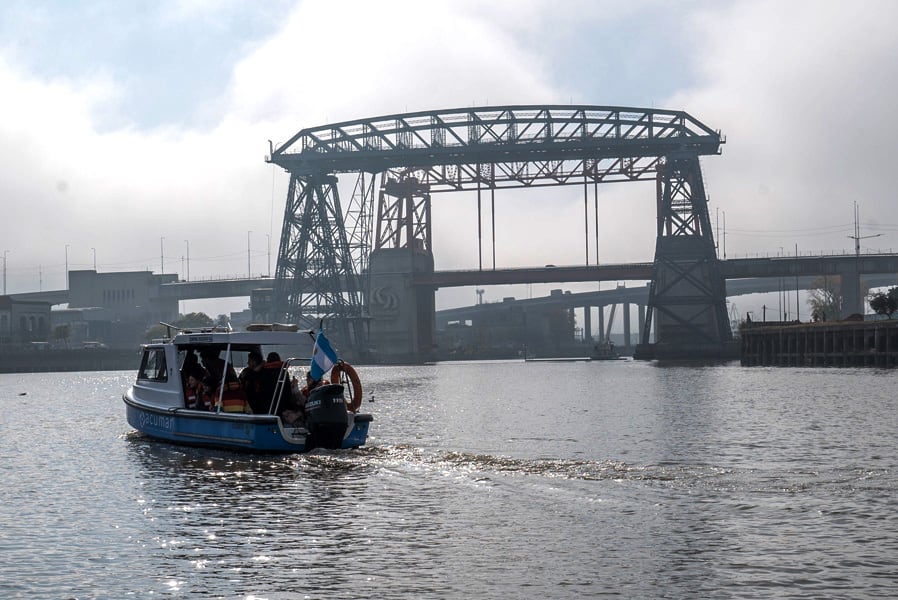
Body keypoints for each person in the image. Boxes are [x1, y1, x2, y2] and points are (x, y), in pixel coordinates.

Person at [239, 350, 267, 414]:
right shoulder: (246, 372)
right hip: (247, 401)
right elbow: (245, 378)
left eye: (250, 361)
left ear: (255, 362)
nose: (248, 363)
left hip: (260, 403)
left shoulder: (264, 373)